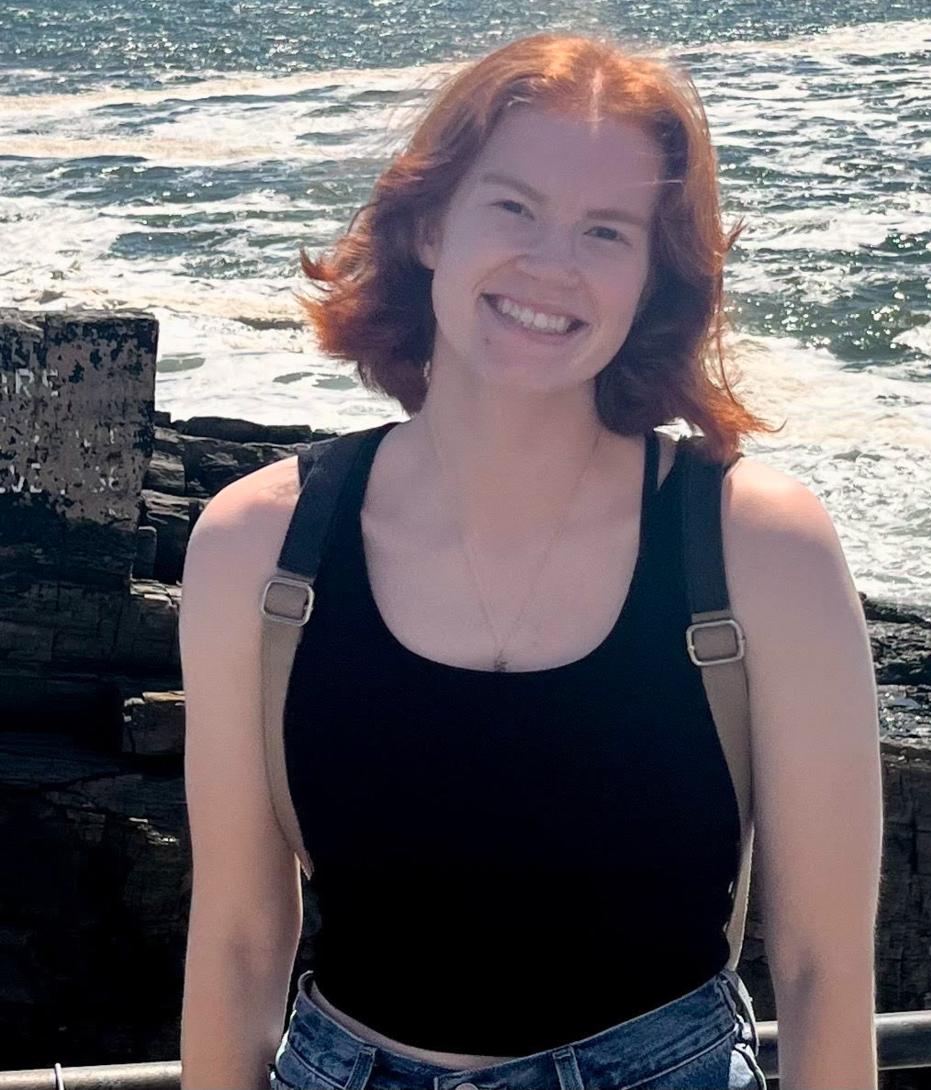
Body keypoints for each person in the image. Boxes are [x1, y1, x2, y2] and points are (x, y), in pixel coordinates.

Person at [178, 31, 883, 1090]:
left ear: (653, 280)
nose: (551, 265)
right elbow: (237, 942)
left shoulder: (755, 547)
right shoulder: (257, 547)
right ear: (426, 225)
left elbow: (824, 969)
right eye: (512, 207)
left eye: (606, 231)